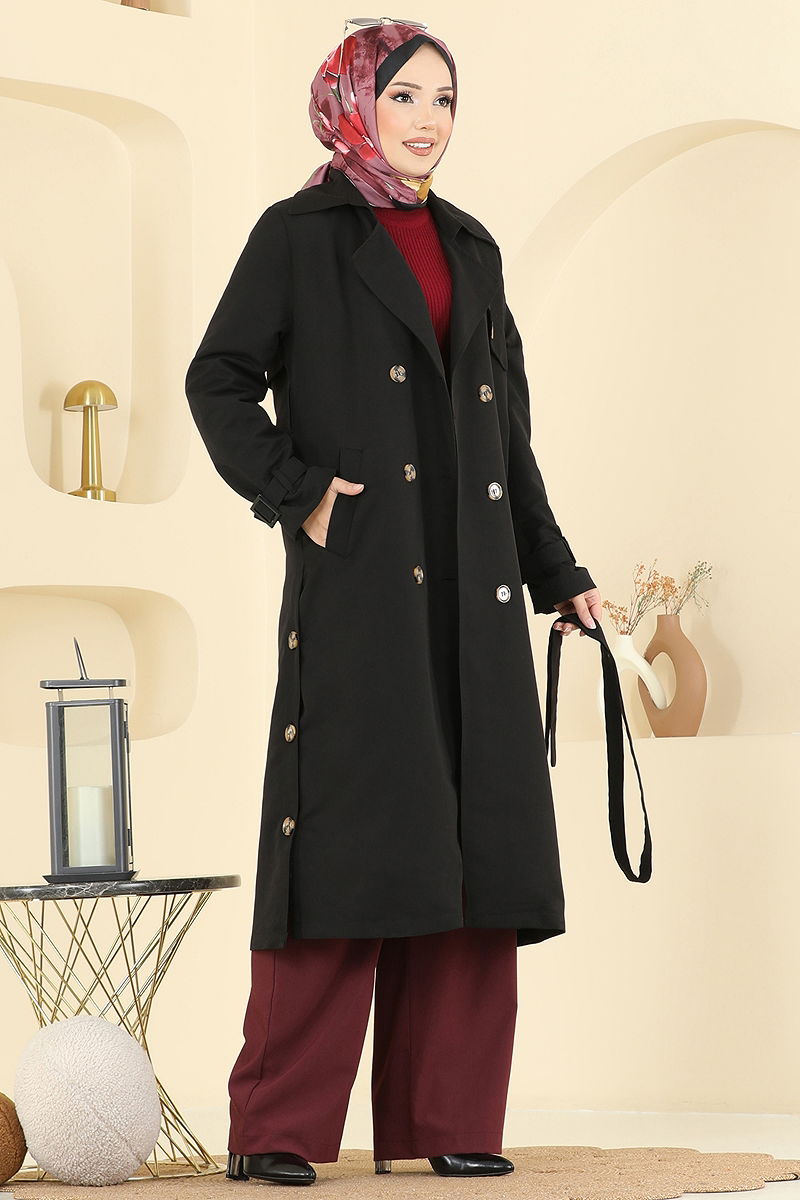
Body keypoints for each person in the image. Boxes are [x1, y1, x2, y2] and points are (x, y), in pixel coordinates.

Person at [184, 17, 602, 1188]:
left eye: (443, 99)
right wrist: (301, 495)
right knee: (347, 839)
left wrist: (557, 571)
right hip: (364, 581)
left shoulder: (470, 245)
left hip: (476, 584)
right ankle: (277, 1129)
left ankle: (449, 1119)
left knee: (470, 846)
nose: (426, 119)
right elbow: (217, 381)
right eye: (405, 95)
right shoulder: (298, 235)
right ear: (352, 103)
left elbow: (506, 438)